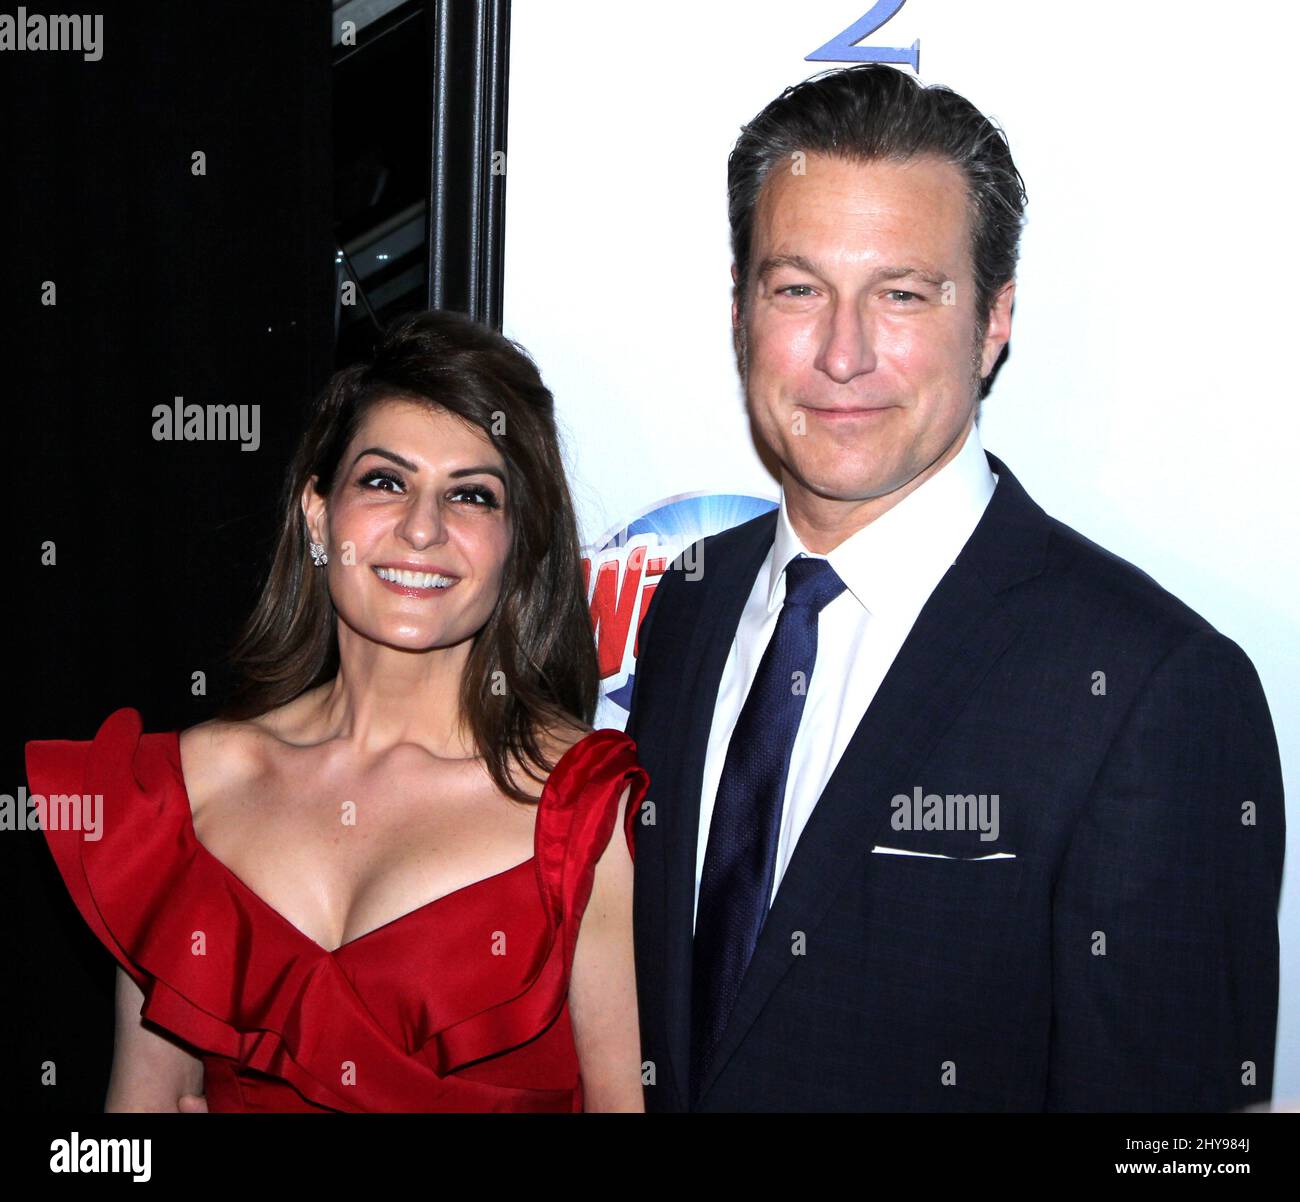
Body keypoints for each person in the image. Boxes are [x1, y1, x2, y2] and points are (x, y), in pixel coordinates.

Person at [625, 64, 1285, 1112]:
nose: (842, 354)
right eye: (796, 288)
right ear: (741, 312)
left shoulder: (1150, 691)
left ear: (992, 322)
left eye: (901, 294)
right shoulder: (690, 606)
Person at [26, 309, 649, 1112]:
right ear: (319, 516)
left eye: (471, 496)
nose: (422, 529)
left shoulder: (584, 812)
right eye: (385, 481)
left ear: (517, 546)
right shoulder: (182, 798)